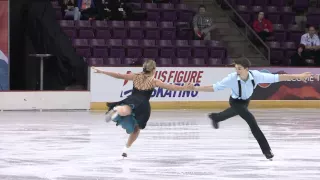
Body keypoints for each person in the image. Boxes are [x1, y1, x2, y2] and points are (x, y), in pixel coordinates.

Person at [193, 58, 313, 160]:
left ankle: (216, 117)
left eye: (239, 68)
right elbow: (215, 87)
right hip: (235, 101)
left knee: (235, 112)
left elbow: (278, 77)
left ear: (246, 69)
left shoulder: (256, 76)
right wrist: (195, 88)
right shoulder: (232, 78)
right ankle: (267, 151)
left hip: (246, 101)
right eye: (236, 68)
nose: (237, 71)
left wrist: (298, 76)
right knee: (252, 122)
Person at [92, 60, 194, 157]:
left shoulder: (136, 76)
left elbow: (119, 75)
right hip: (143, 105)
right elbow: (171, 87)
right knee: (136, 129)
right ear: (153, 69)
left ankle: (116, 110)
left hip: (133, 99)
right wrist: (184, 88)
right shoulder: (153, 81)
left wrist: (102, 71)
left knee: (126, 110)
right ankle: (126, 149)